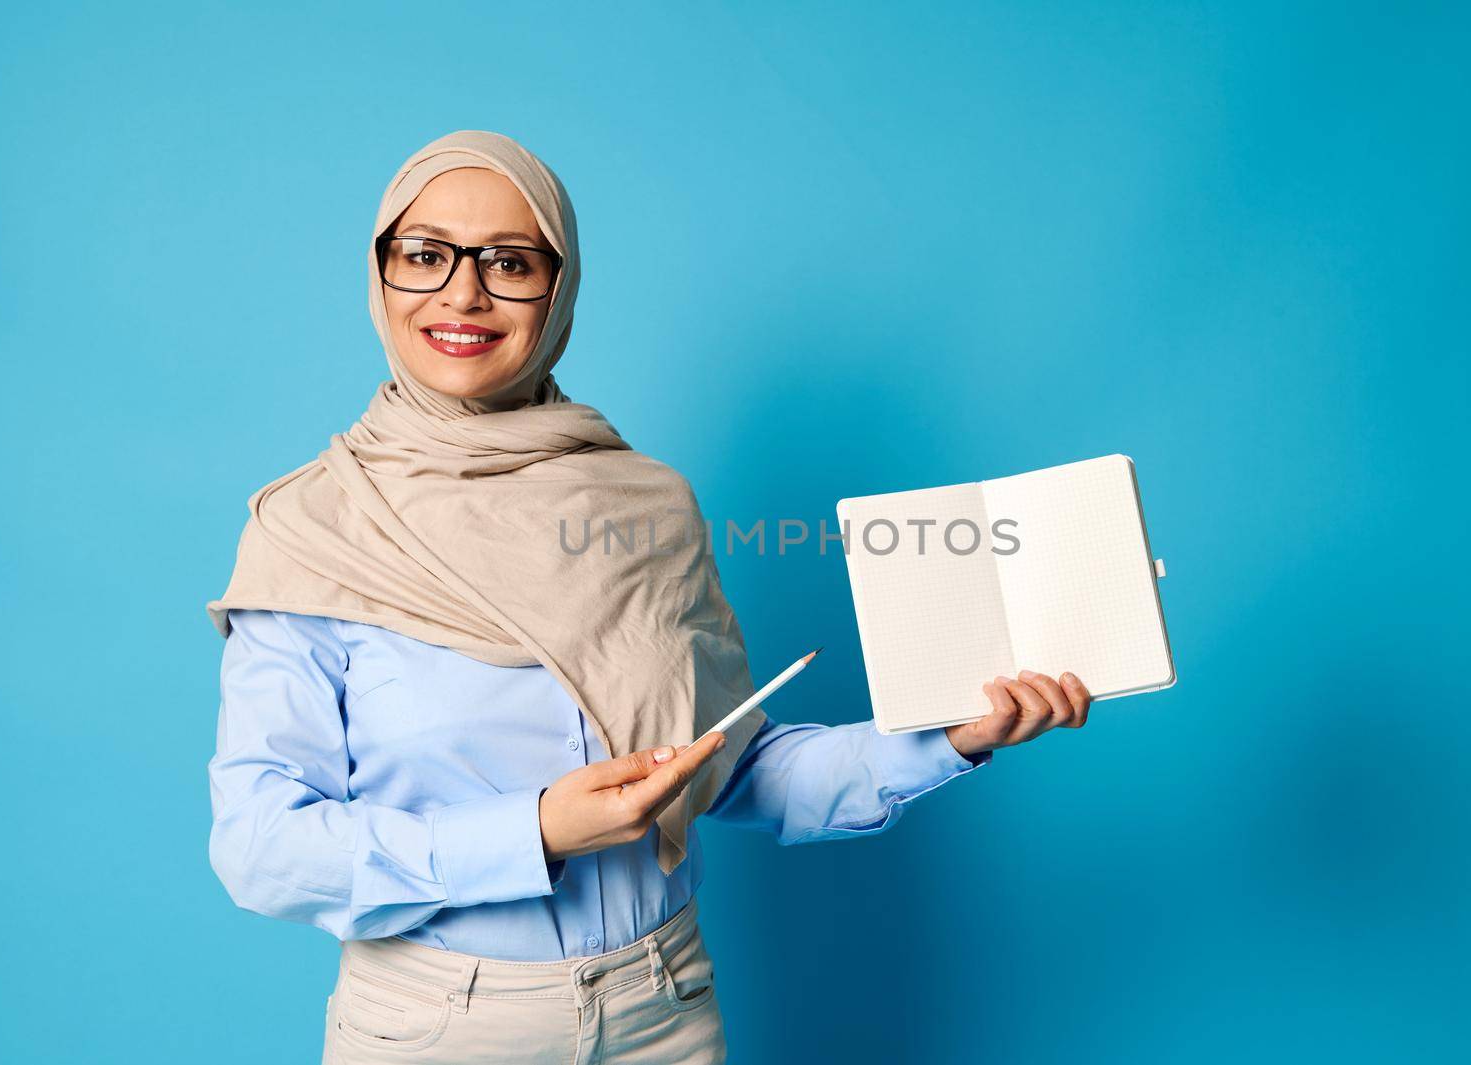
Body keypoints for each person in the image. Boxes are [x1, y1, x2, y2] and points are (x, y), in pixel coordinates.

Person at [204, 129, 1092, 1064]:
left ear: (560, 288)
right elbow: (264, 845)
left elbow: (734, 768)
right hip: (440, 1026)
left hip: (663, 1007)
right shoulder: (316, 526)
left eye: (509, 262)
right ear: (380, 275)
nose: (462, 293)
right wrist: (536, 829)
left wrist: (952, 736)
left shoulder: (644, 504)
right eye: (424, 256)